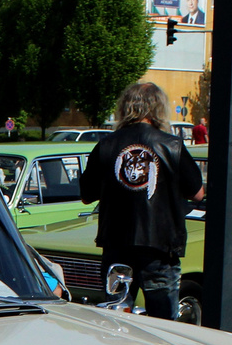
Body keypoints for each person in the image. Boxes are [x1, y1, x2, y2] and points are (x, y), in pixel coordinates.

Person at [79, 81, 204, 318]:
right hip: (160, 247)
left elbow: (87, 195)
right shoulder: (172, 145)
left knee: (117, 318)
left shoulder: (106, 145)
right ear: (158, 108)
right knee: (164, 323)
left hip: (116, 245)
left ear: (125, 107)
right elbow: (197, 192)